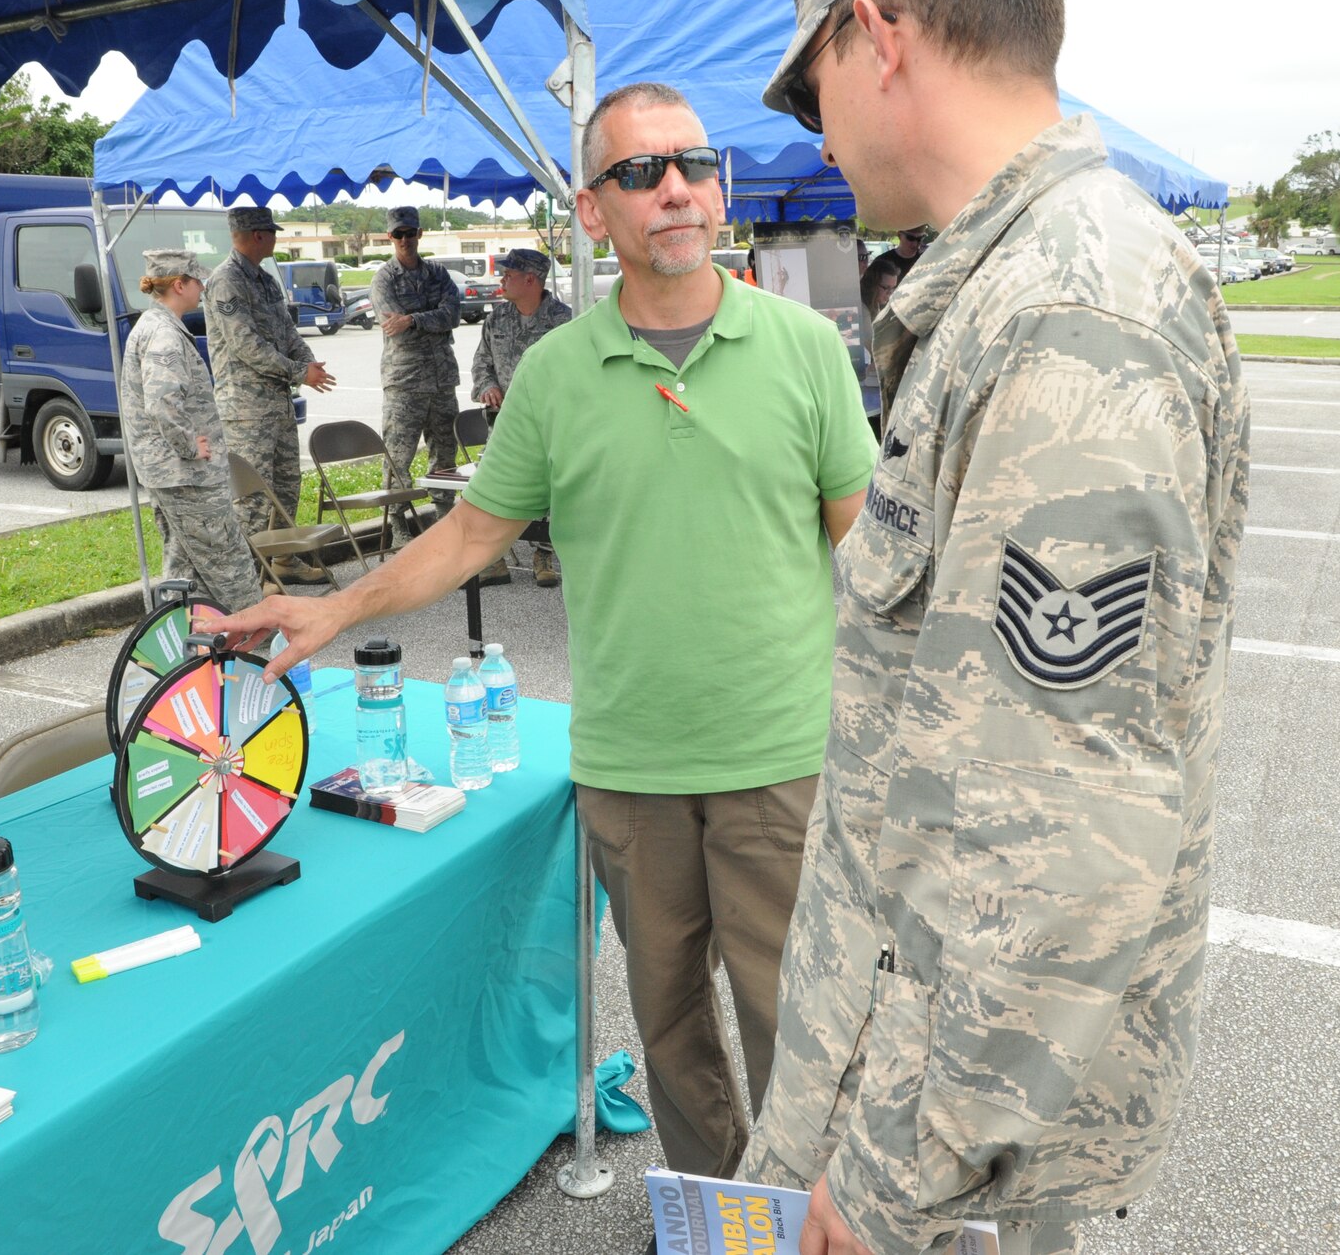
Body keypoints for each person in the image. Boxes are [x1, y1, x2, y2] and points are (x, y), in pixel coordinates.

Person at [217, 83, 876, 1217]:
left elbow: (866, 552)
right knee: (670, 1032)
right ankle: (728, 1224)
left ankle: (809, 1223)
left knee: (796, 1036)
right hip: (629, 770)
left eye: (693, 163)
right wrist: (338, 608)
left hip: (781, 764)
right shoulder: (556, 374)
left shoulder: (803, 348)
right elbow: (474, 532)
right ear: (591, 207)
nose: (674, 187)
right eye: (639, 171)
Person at [742, 0, 1250, 1255]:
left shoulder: (1067, 310)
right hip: (909, 1053)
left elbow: (1063, 824)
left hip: (933, 1130)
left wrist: (897, 1168)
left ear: (879, 36)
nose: (816, 136)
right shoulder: (1018, 280)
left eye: (808, 90)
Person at [121, 250, 264, 612]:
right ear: (179, 285)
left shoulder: (154, 326)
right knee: (227, 556)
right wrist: (189, 445)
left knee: (184, 561)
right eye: (197, 281)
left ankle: (175, 637)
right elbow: (162, 401)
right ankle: (257, 633)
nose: (203, 287)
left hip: (171, 472)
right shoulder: (164, 334)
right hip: (186, 474)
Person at [202, 207, 336, 586]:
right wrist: (298, 373)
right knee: (254, 502)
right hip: (245, 411)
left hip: (276, 405)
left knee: (286, 488)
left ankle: (284, 562)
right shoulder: (227, 281)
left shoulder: (263, 280)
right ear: (257, 235)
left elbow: (287, 331)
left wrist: (308, 363)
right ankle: (249, 581)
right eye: (271, 232)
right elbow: (246, 346)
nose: (276, 238)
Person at [470, 248, 573, 588]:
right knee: (496, 486)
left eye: (509, 274)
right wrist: (486, 386)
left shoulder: (563, 320)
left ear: (530, 279)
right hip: (502, 423)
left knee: (549, 488)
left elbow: (573, 373)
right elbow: (481, 361)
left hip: (548, 422)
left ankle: (544, 554)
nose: (502, 279)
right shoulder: (497, 318)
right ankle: (493, 558)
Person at [370, 206, 464, 542]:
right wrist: (426, 319)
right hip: (405, 384)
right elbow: (394, 329)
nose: (405, 240)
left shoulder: (438, 273)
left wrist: (413, 318)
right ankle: (396, 526)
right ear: (389, 237)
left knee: (444, 452)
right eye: (398, 234)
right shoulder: (383, 279)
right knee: (399, 456)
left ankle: (445, 519)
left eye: (410, 233)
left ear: (419, 234)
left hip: (441, 381)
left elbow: (453, 314)